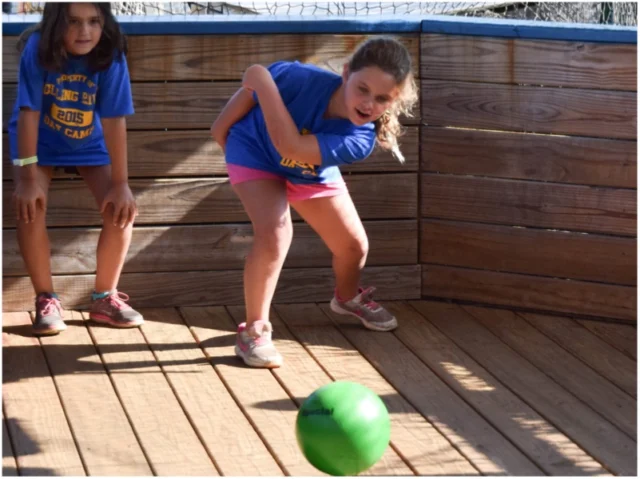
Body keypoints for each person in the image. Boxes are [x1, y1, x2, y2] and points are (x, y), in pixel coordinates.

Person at [211, 37, 418, 368]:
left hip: (306, 168)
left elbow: (292, 148)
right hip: (254, 153)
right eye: (363, 89)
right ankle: (254, 330)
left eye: (382, 99)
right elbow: (226, 120)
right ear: (346, 73)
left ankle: (347, 298)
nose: (368, 103)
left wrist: (262, 81)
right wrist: (232, 143)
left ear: (393, 101)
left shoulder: (360, 139)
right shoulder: (296, 77)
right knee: (276, 233)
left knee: (354, 247)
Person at [9, 2, 144, 336]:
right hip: (38, 144)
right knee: (30, 208)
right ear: (56, 22)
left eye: (94, 21)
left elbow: (114, 120)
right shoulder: (38, 48)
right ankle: (46, 298)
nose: (85, 31)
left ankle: (104, 297)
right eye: (73, 21)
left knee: (121, 210)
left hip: (88, 143)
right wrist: (27, 177)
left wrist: (121, 183)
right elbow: (28, 114)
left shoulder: (110, 53)